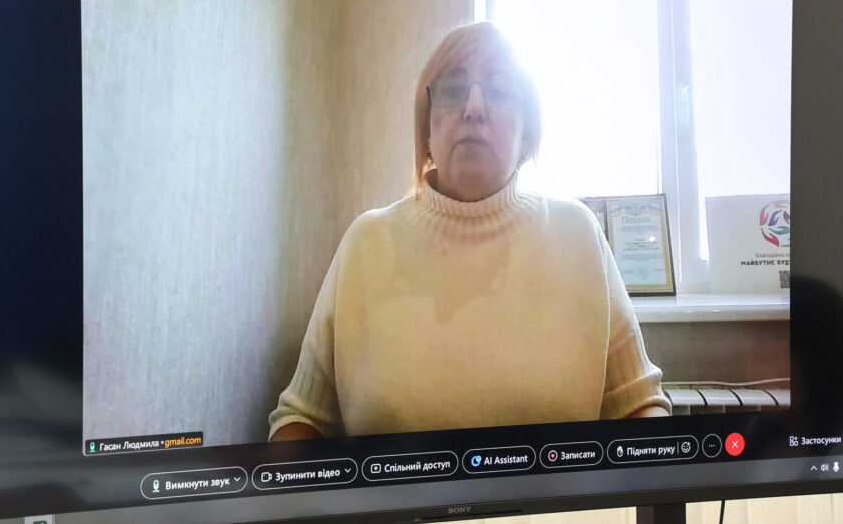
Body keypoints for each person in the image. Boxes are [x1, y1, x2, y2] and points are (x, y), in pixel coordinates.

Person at [269, 23, 670, 442]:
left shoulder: (578, 235)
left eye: (499, 90)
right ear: (426, 129)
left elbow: (639, 402)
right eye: (454, 89)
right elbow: (303, 418)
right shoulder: (366, 243)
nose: (474, 108)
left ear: (527, 132)